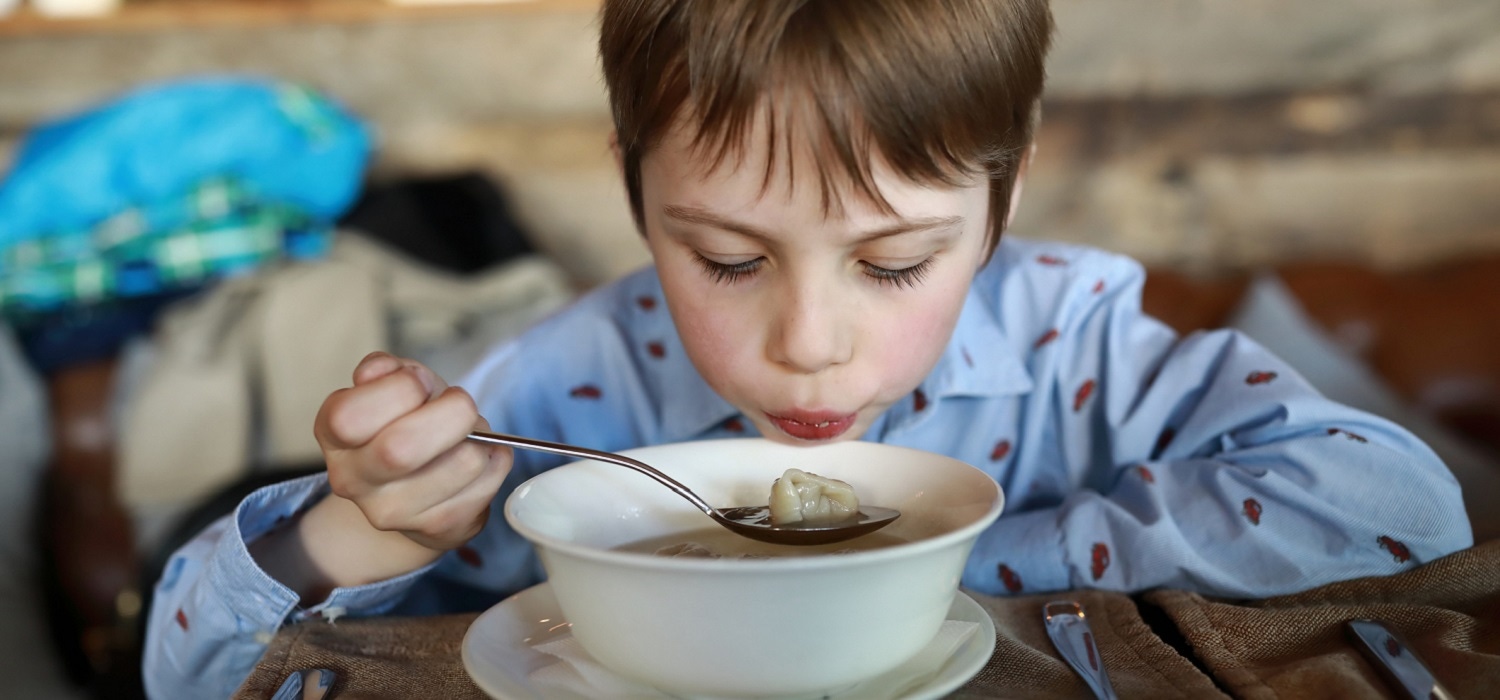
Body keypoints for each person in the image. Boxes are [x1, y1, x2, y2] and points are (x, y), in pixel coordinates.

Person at [142, 0, 1472, 696]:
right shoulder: (551, 391)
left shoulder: (1081, 342)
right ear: (635, 197)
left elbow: (1400, 506)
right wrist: (352, 539)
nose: (811, 345)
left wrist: (924, 568)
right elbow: (191, 676)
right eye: (726, 259)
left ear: (1000, 205)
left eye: (894, 263)